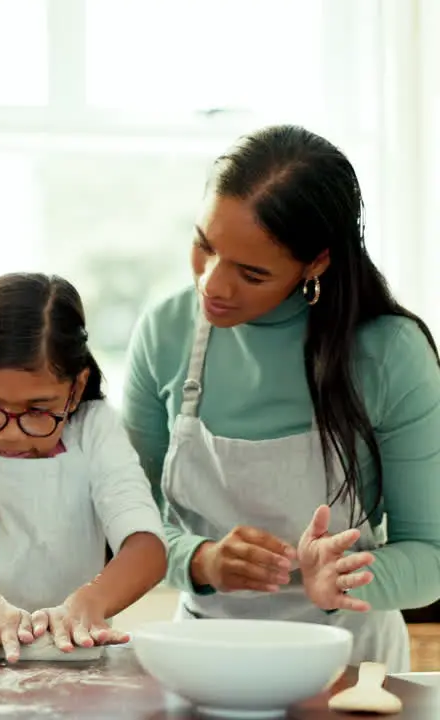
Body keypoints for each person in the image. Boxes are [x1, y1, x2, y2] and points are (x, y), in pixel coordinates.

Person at [123, 124, 440, 673]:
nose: (213, 286)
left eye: (251, 273)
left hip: (349, 663)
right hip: (203, 658)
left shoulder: (390, 354)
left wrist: (338, 580)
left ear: (315, 263)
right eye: (204, 245)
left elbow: (431, 554)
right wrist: (200, 559)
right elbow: (127, 523)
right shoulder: (165, 331)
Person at [0, 273, 167, 664]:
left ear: (77, 387)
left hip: (77, 663)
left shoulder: (95, 425)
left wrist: (91, 600)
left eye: (37, 411)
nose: (9, 433)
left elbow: (147, 548)